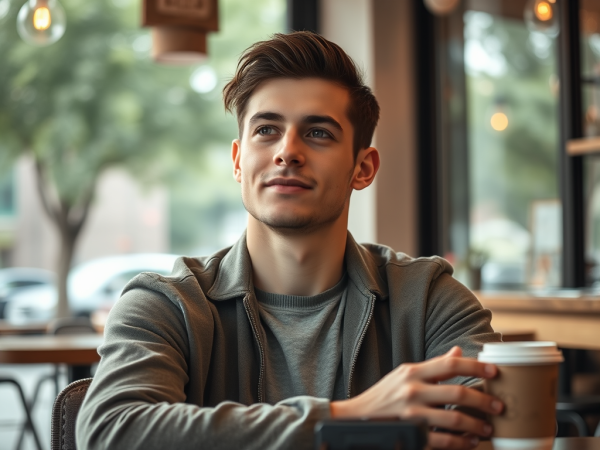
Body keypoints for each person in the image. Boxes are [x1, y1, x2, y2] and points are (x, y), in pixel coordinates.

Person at [77, 31, 503, 450]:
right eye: (266, 130)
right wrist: (349, 418)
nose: (288, 151)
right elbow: (111, 431)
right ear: (239, 161)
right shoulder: (166, 304)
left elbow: (495, 422)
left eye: (318, 133)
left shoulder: (428, 299)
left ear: (364, 168)